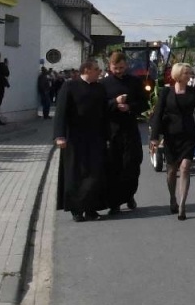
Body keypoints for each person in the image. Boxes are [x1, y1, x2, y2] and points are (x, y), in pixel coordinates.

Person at [149, 62, 195, 219]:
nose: (190, 76)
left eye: (190, 73)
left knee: (186, 167)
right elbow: (158, 114)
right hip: (171, 135)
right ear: (178, 75)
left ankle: (182, 205)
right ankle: (172, 198)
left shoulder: (193, 92)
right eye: (186, 73)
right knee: (171, 170)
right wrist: (154, 137)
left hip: (189, 134)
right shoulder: (166, 92)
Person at [54, 59, 108, 222]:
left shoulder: (99, 88)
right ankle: (77, 209)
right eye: (96, 69)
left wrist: (107, 136)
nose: (99, 72)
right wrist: (59, 135)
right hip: (75, 137)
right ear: (86, 70)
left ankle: (91, 209)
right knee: (76, 173)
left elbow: (104, 113)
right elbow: (61, 112)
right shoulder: (70, 86)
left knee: (95, 173)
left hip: (95, 137)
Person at [101, 51, 148, 214]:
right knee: (114, 166)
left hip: (130, 130)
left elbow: (144, 103)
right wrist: (115, 103)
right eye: (115, 68)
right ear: (110, 66)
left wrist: (130, 107)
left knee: (132, 165)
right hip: (112, 131)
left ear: (126, 65)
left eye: (121, 67)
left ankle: (129, 194)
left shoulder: (134, 82)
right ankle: (115, 202)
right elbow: (100, 107)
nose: (119, 71)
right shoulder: (104, 84)